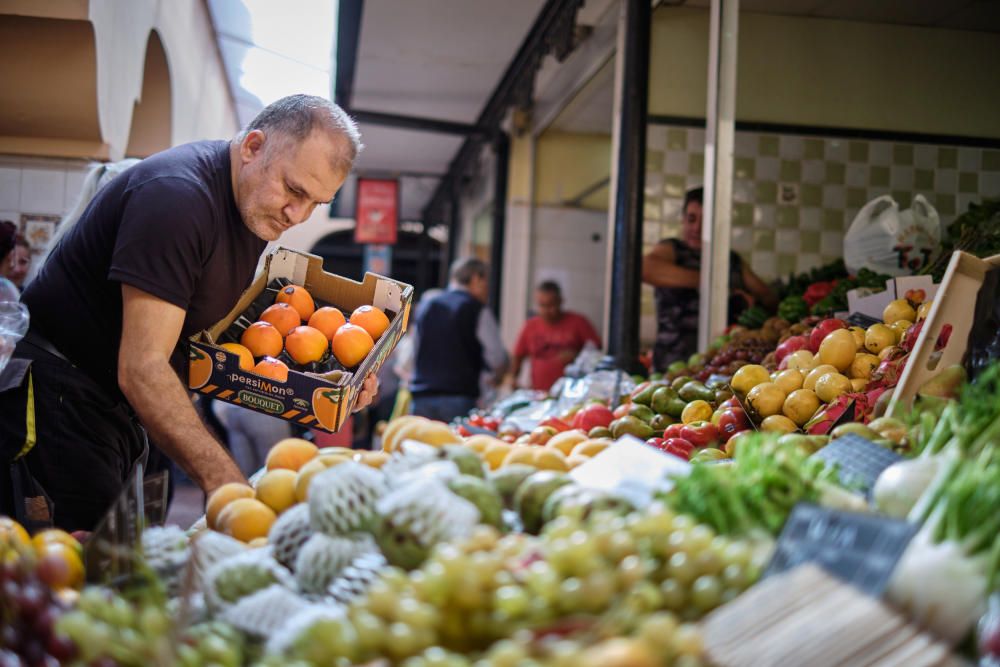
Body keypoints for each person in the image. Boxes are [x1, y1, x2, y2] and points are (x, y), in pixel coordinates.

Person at [0, 94, 378, 531]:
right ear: (253, 146)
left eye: (316, 203)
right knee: (72, 581)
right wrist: (231, 489)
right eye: (294, 190)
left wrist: (322, 385)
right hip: (59, 405)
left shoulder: (251, 208)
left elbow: (207, 347)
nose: (298, 214)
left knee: (114, 569)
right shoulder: (176, 199)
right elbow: (142, 368)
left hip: (111, 412)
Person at [642, 187, 776, 371]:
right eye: (691, 219)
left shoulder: (730, 260)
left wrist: (751, 304)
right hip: (671, 363)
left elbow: (768, 297)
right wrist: (715, 283)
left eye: (705, 221)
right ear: (683, 220)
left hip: (720, 365)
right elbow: (646, 269)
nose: (697, 228)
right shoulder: (672, 249)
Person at [409, 258, 508, 422]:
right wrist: (496, 377)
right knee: (456, 446)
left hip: (421, 397)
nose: (487, 289)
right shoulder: (476, 309)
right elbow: (497, 357)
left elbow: (414, 350)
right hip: (459, 398)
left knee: (419, 447)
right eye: (486, 282)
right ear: (476, 278)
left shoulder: (428, 305)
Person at [509, 281, 602, 391]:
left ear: (561, 301)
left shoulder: (578, 323)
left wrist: (577, 356)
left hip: (572, 392)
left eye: (551, 305)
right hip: (539, 393)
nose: (547, 311)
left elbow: (597, 354)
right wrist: (513, 378)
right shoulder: (530, 326)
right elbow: (518, 356)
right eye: (543, 305)